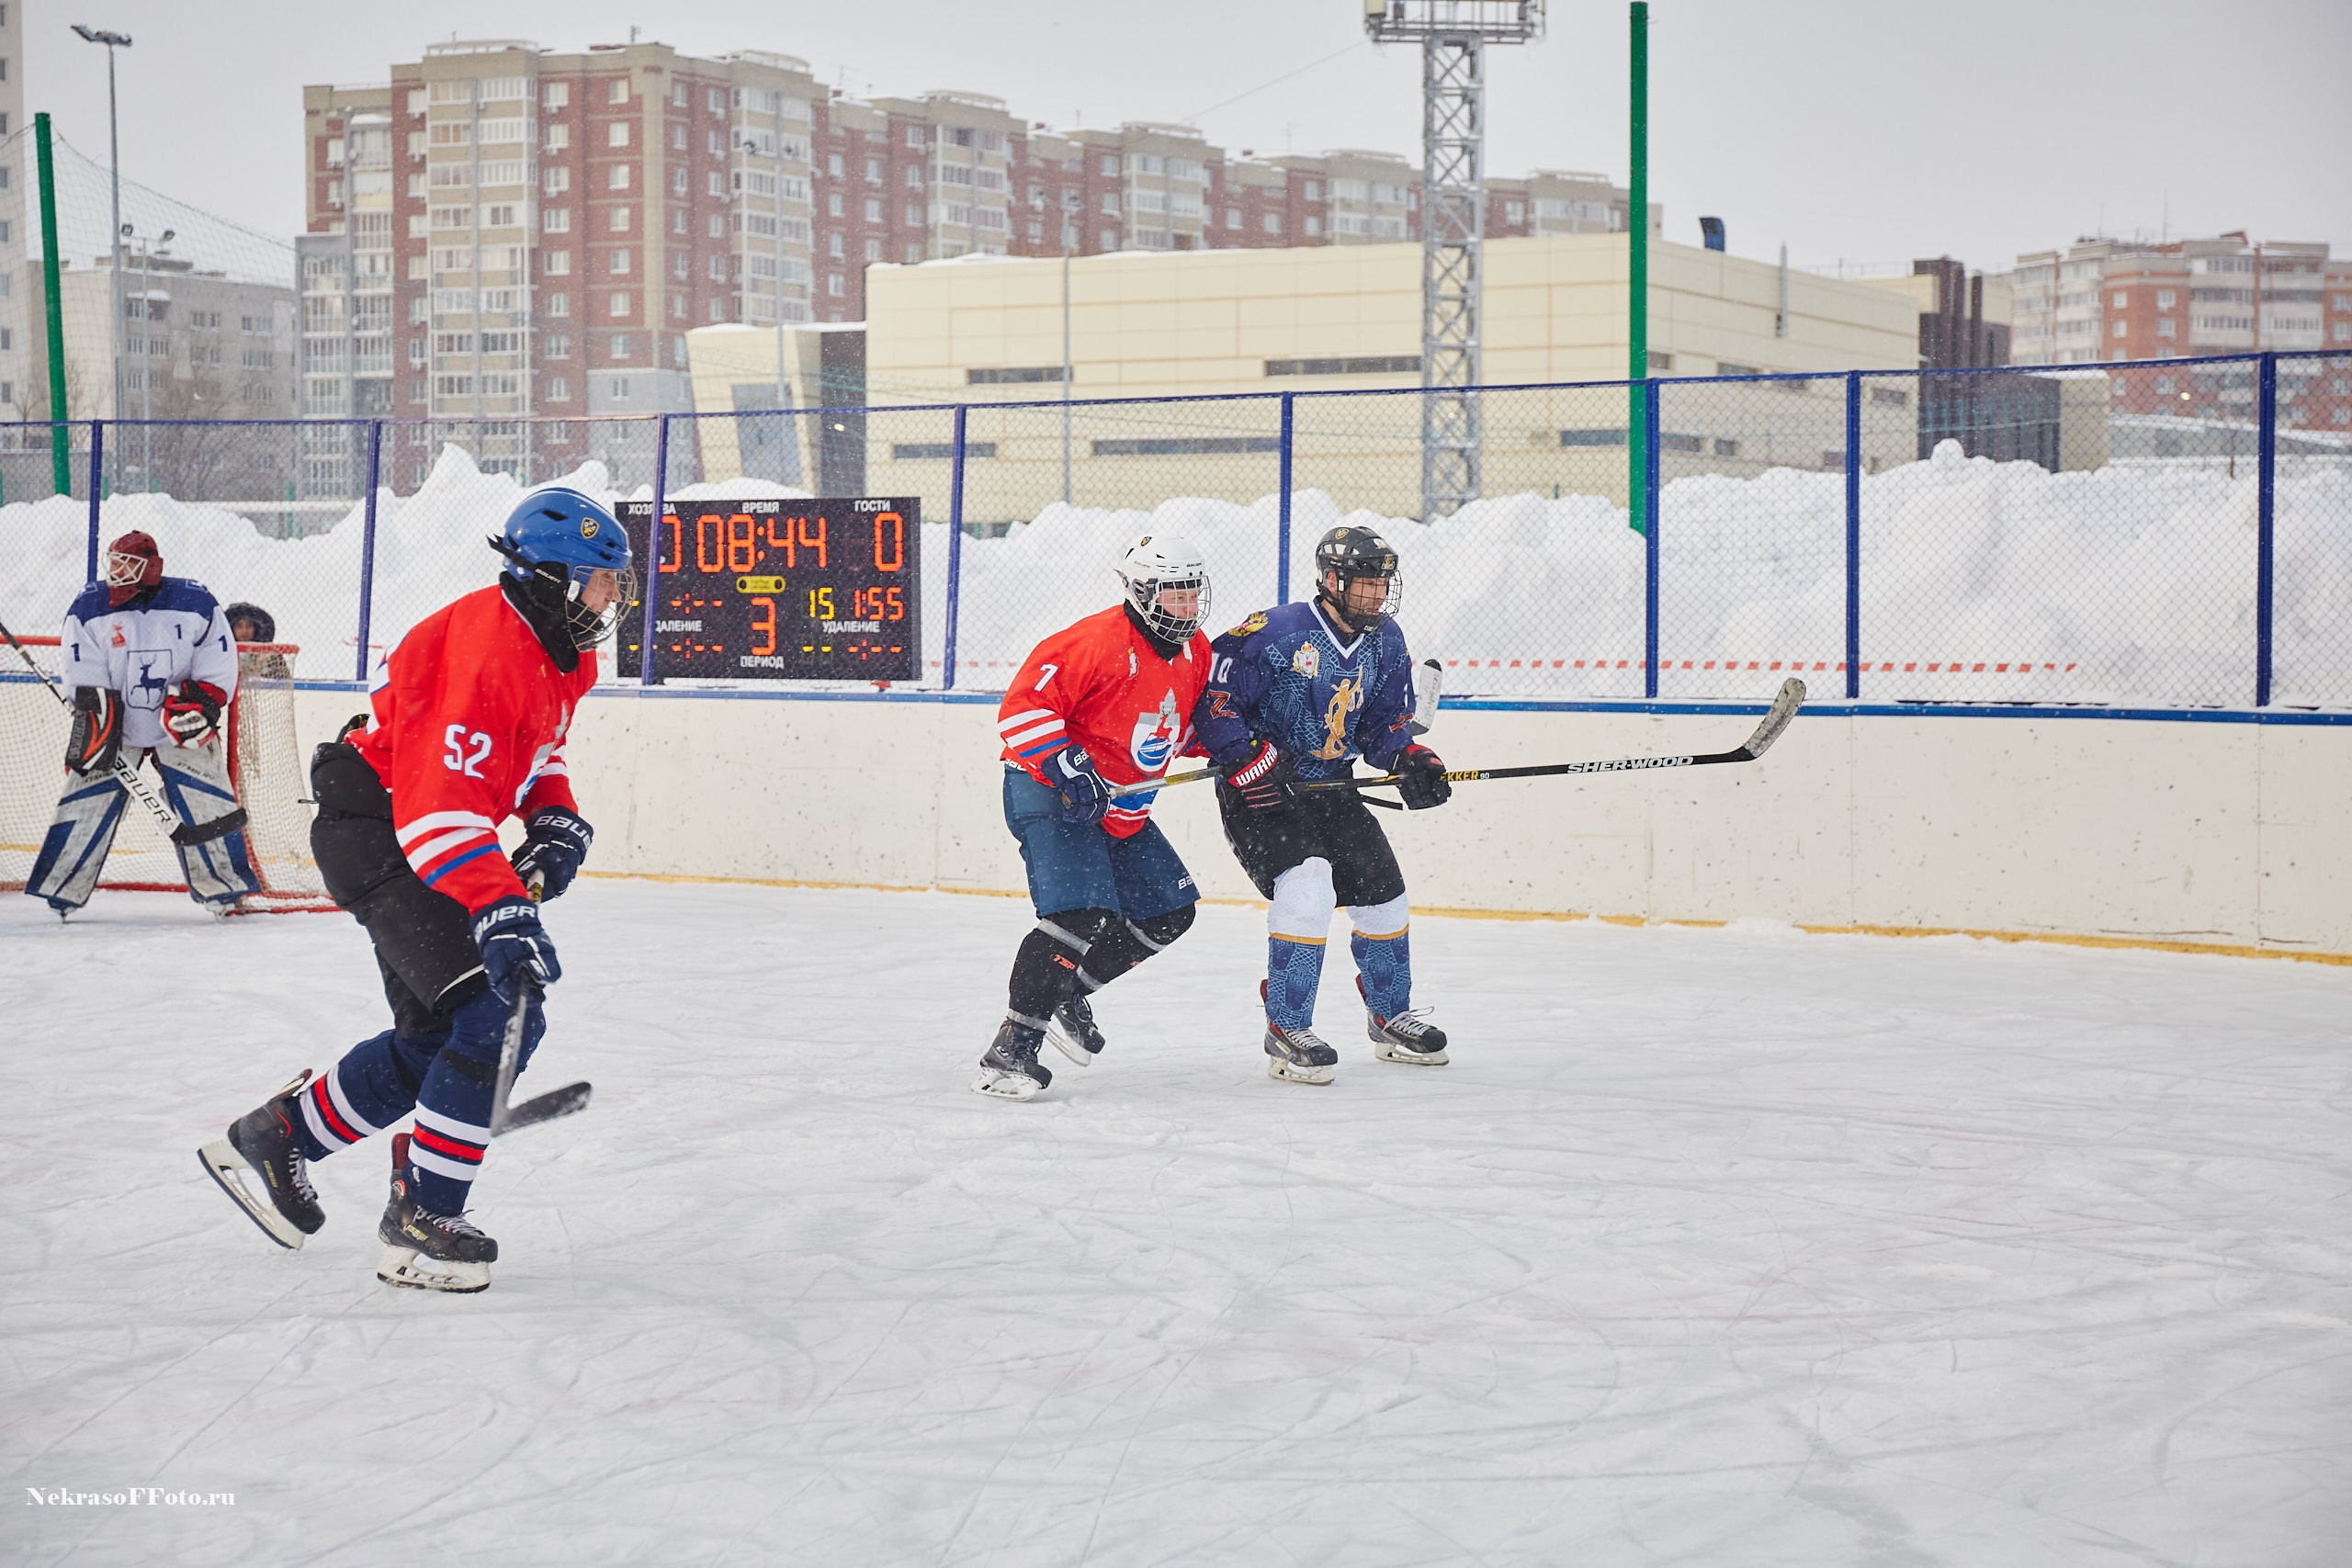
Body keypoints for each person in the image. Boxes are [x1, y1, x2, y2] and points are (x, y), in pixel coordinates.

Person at [198, 486, 632, 1294]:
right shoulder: (482, 652)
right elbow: (438, 812)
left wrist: (555, 818)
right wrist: (498, 904)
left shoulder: (559, 651)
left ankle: (279, 1134)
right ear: (554, 576)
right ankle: (423, 1214)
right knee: (498, 1007)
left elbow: (536, 753)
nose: (613, 597)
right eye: (603, 579)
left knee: (445, 1037)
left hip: (407, 827)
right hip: (381, 828)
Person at [1193, 525, 1453, 1084]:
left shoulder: (1386, 640)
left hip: (1333, 787)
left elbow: (1384, 722)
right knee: (1308, 890)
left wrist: (1409, 756)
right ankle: (1286, 1027)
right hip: (1264, 792)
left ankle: (1390, 1017)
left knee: (1387, 899)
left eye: (1383, 585)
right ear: (1332, 581)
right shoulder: (1273, 632)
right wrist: (1246, 758)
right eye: (1365, 585)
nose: (1377, 597)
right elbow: (1215, 703)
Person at [977, 534, 1216, 1100]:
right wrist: (1065, 764)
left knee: (1169, 911)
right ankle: (1011, 1049)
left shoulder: (1196, 650)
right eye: (1172, 595)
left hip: (1120, 802)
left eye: (1191, 595)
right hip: (1051, 792)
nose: (1184, 607)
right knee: (1080, 914)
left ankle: (1061, 993)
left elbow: (1180, 732)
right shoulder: (1092, 641)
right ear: (1139, 592)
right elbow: (1022, 709)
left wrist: (1246, 752)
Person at [26, 530, 260, 918]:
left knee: (207, 800)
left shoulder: (196, 601)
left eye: (128, 564)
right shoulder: (90, 605)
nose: (117, 571)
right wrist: (94, 712)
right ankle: (60, 892)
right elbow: (80, 667)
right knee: (86, 799)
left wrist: (202, 703)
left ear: (152, 567)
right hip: (113, 725)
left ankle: (225, 891)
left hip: (181, 718)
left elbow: (218, 659)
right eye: (114, 562)